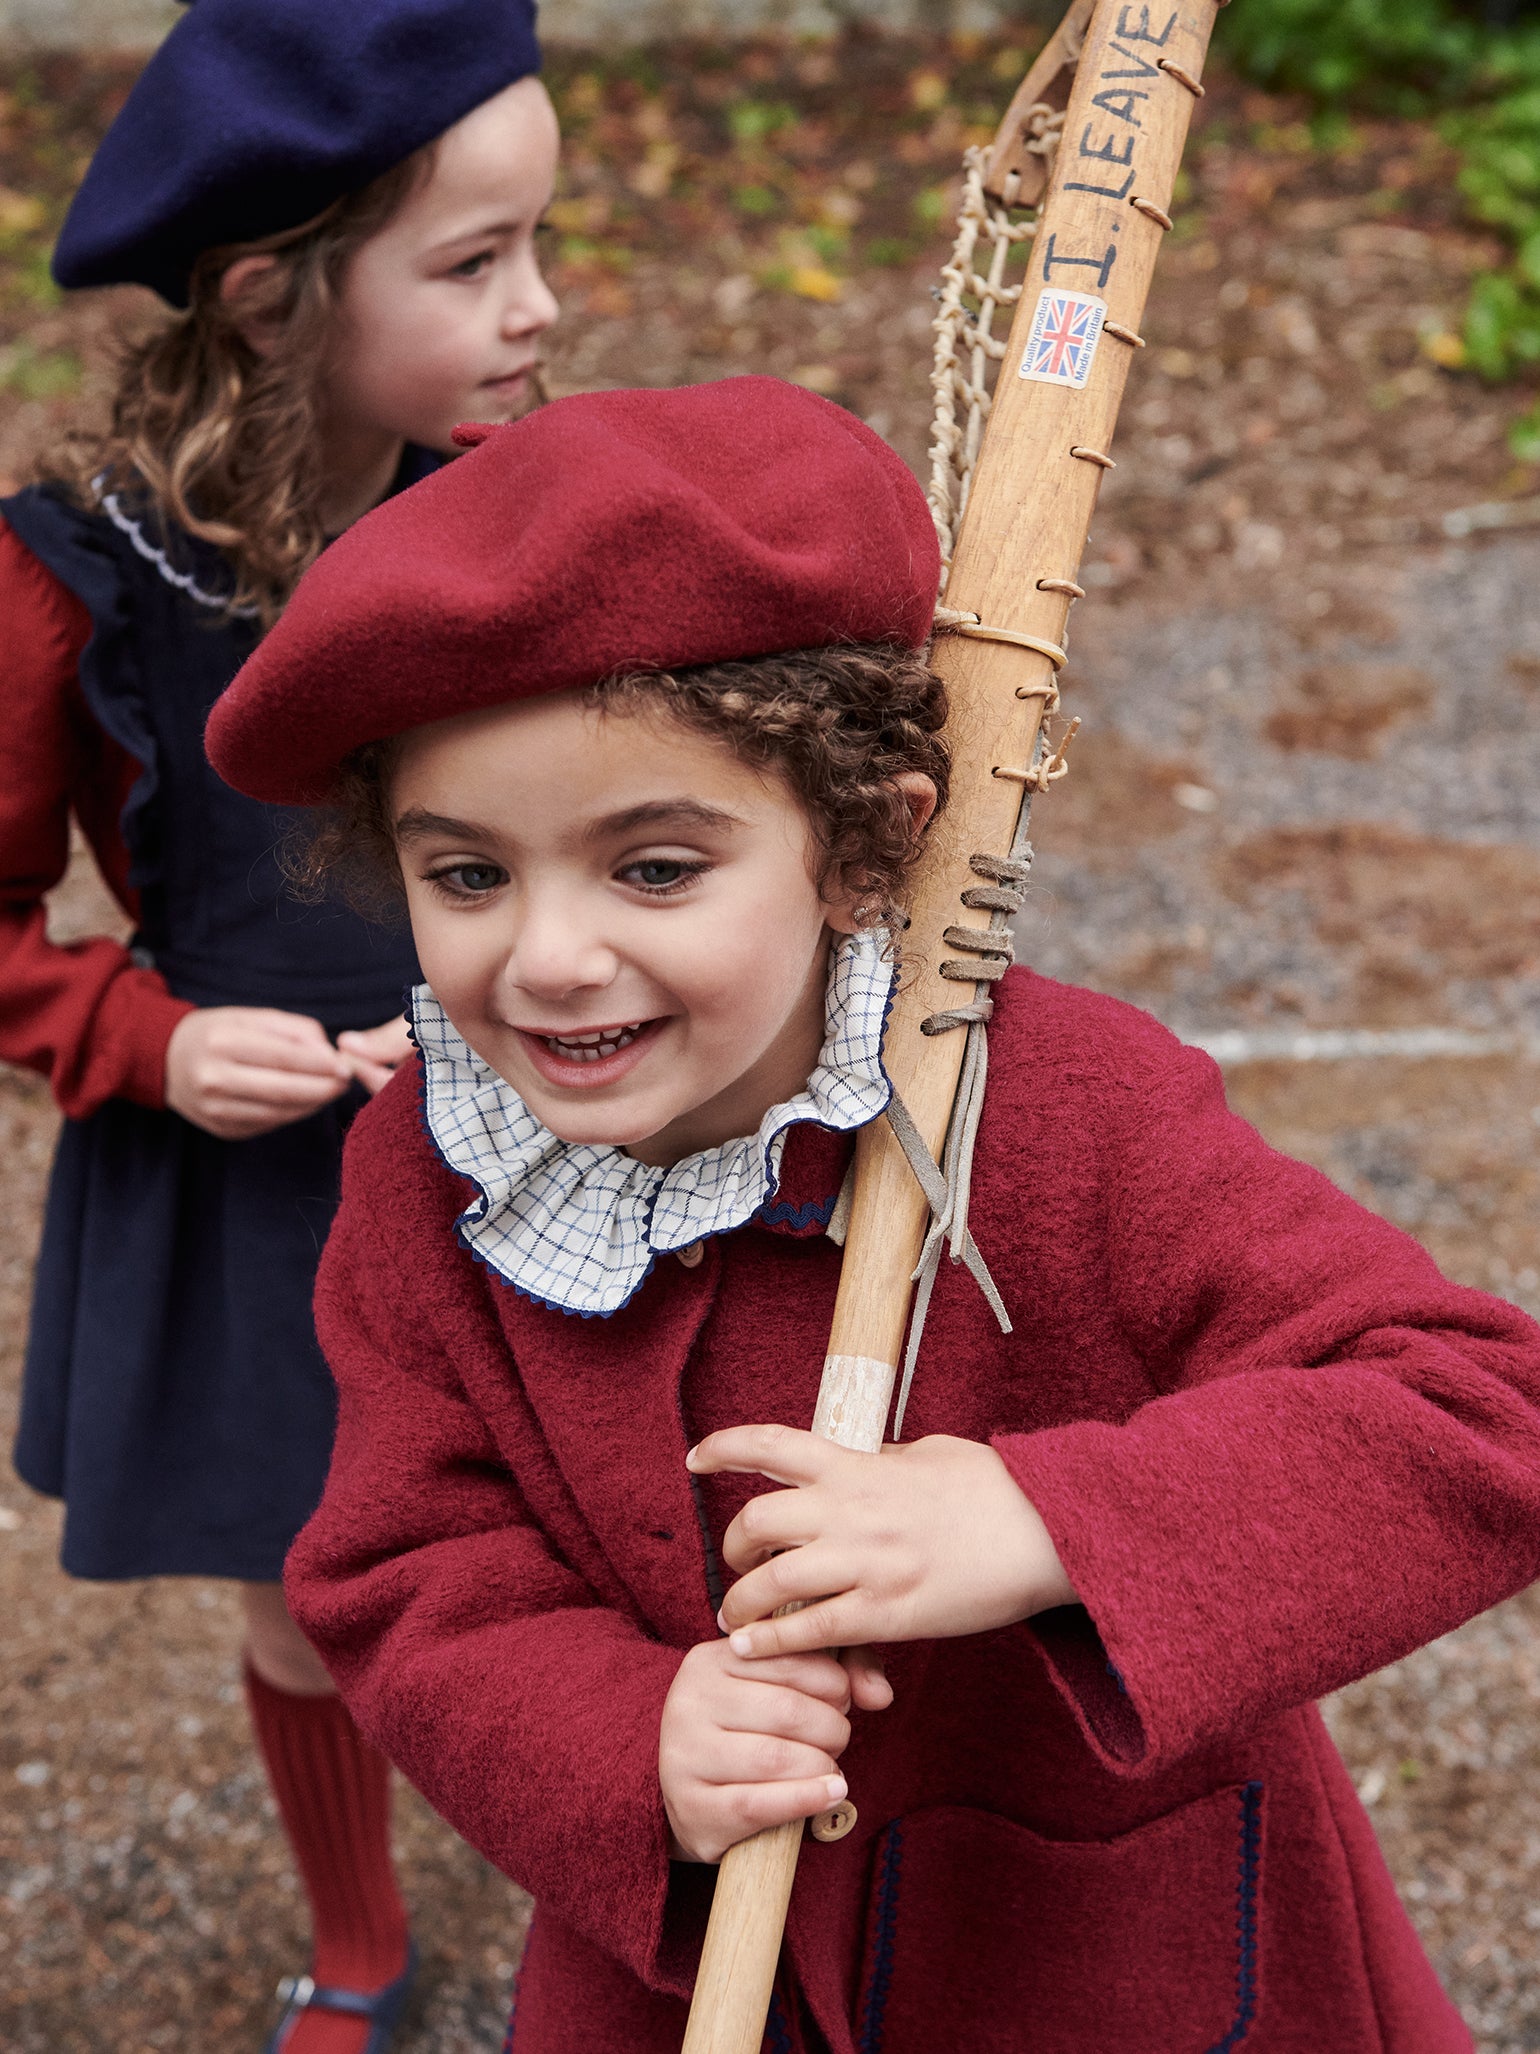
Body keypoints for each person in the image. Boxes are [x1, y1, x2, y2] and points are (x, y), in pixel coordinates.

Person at [205, 375, 1540, 2054]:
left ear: (863, 848)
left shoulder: (1060, 1108)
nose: (545, 956)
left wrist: (1042, 1521)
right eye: (467, 872)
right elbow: (410, 1566)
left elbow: (1475, 1407)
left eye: (656, 868)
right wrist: (633, 1738)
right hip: (686, 1978)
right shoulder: (429, 1166)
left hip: (1096, 1957)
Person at [0, 3, 558, 2048]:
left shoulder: (523, 507)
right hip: (255, 1180)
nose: (540, 310)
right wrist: (145, 1043)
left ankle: (627, 1885)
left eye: (537, 247)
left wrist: (536, 990)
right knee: (320, 1602)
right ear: (270, 296)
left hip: (536, 1119)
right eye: (474, 261)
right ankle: (356, 1944)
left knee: (573, 1542)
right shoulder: (69, 582)